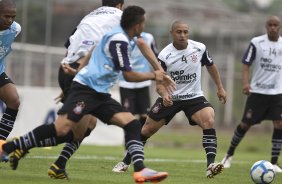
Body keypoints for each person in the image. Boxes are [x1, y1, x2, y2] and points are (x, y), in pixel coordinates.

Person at [0, 5, 174, 183]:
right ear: (137, 25)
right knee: (61, 129)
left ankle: (140, 170)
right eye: (143, 23)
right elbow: (128, 75)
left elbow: (93, 51)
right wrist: (155, 75)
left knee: (131, 124)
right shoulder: (119, 41)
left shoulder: (118, 36)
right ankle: (9, 147)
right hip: (85, 91)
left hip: (99, 94)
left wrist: (77, 73)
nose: (144, 27)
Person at [112, 20, 227, 179]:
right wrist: (164, 95)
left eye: (185, 32)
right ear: (172, 33)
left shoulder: (199, 48)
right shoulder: (165, 55)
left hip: (194, 97)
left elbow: (211, 65)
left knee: (208, 119)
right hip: (171, 98)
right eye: (179, 32)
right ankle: (125, 162)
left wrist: (220, 87)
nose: (183, 35)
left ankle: (210, 165)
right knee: (146, 130)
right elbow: (159, 84)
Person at [47, 0, 124, 179]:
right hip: (84, 73)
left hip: (68, 69)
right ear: (120, 5)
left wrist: (69, 83)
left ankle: (59, 165)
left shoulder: (89, 17)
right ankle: (18, 146)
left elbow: (70, 47)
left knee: (89, 124)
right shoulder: (120, 17)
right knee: (73, 128)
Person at [221, 15, 282, 173]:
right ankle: (228, 155)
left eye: (276, 25)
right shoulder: (257, 42)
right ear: (266, 26)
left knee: (279, 124)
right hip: (258, 92)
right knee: (245, 125)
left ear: (280, 27)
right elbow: (246, 64)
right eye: (270, 24)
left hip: (276, 93)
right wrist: (246, 83)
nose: (273, 27)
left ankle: (274, 163)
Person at [112, 32, 157, 172]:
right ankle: (128, 148)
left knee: (145, 118)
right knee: (128, 119)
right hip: (127, 83)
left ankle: (137, 146)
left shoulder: (149, 37)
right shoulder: (121, 37)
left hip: (143, 82)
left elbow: (155, 56)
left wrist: (159, 75)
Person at [0, 0, 21, 154]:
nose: (10, 20)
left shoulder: (15, 29)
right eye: (6, 16)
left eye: (13, 16)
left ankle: (0, 145)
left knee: (13, 100)